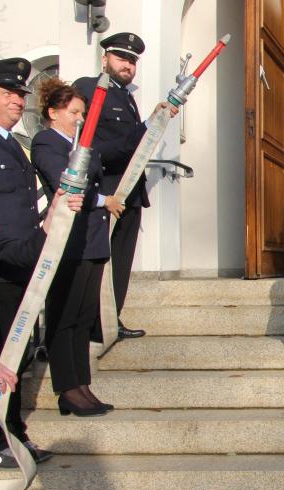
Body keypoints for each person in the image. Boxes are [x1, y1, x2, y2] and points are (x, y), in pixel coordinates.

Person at [74, 32, 178, 340]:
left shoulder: (124, 96)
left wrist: (154, 121)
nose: (128, 65)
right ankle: (93, 322)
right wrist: (147, 125)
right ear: (104, 58)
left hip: (129, 191)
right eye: (122, 58)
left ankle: (110, 319)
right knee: (100, 261)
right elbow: (98, 146)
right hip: (105, 190)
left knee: (120, 261)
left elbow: (134, 144)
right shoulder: (90, 89)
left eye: (132, 61)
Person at [0, 57, 55, 464]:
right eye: (9, 93)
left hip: (19, 260)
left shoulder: (10, 142)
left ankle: (9, 429)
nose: (17, 100)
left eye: (20, 94)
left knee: (17, 355)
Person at [31, 79, 112, 417]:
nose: (80, 118)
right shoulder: (47, 141)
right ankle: (67, 388)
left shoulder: (82, 142)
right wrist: (103, 199)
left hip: (91, 237)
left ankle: (83, 384)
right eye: (74, 112)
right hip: (67, 237)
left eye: (83, 112)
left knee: (82, 316)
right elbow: (65, 182)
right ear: (53, 112)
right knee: (64, 315)